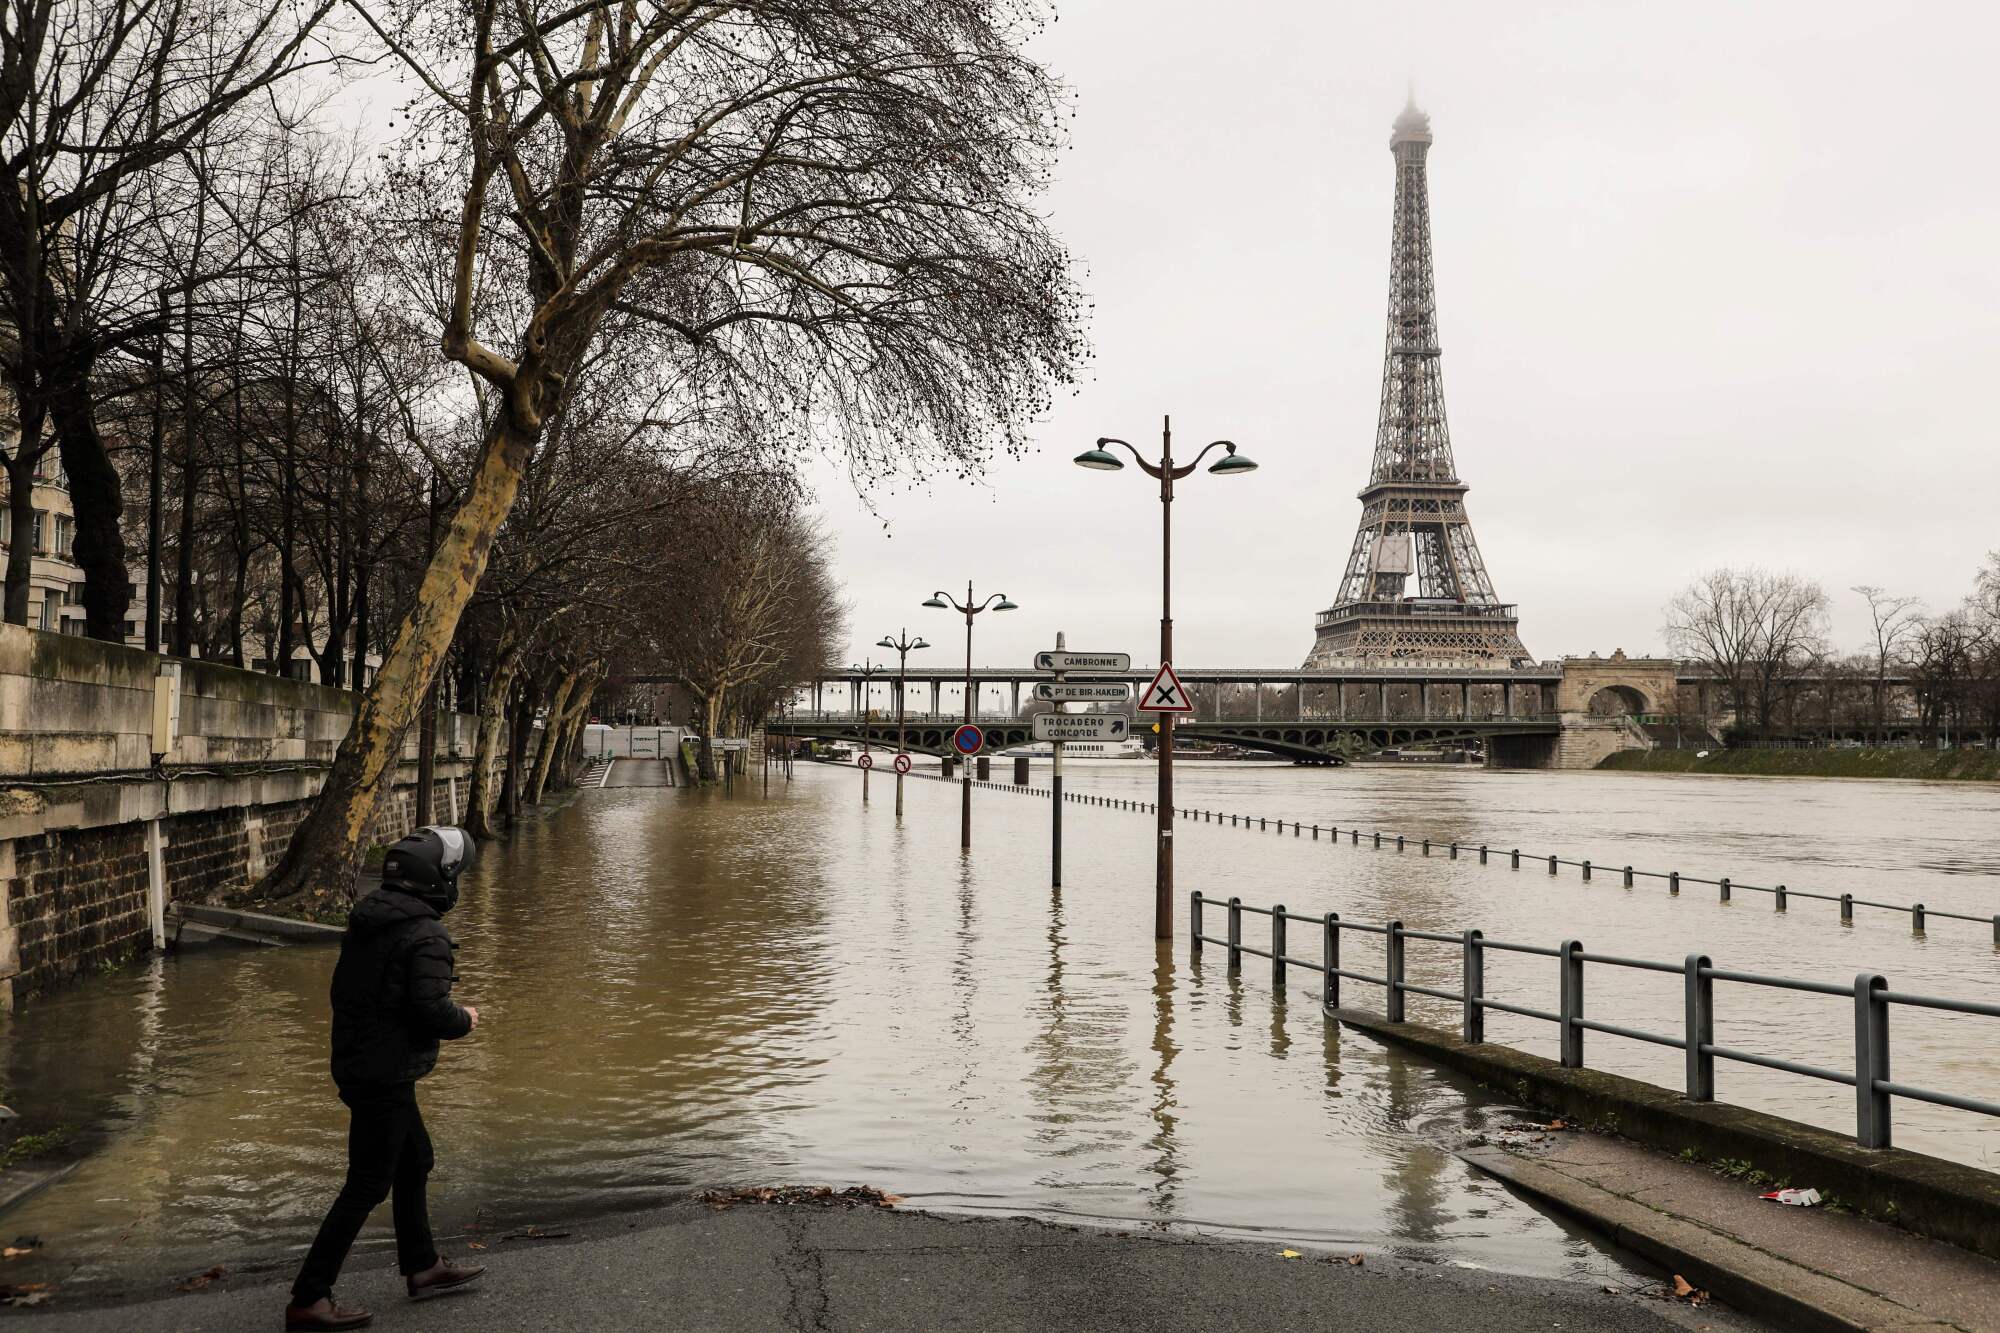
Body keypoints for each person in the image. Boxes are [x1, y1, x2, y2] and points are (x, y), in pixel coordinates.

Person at [285, 826, 487, 1331]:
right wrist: (465, 1017)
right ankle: (310, 1297)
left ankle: (423, 1266)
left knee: (415, 1158)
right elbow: (430, 1009)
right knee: (367, 1184)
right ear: (438, 881)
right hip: (387, 1072)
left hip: (361, 1061)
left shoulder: (369, 921)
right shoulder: (428, 934)